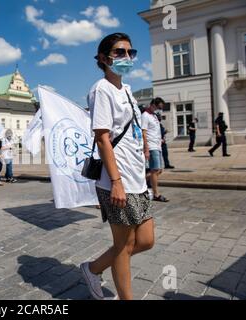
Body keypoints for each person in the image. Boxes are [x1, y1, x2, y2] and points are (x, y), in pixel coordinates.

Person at [81, 33, 154, 300]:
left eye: (129, 52)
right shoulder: (102, 89)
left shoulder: (127, 89)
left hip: (137, 177)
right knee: (123, 246)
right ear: (103, 58)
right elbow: (102, 138)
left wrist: (144, 151)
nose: (126, 57)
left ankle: (93, 268)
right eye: (119, 52)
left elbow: (134, 128)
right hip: (118, 178)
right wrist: (116, 181)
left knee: (145, 240)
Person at [142, 98, 169, 202]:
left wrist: (160, 139)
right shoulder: (145, 116)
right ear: (153, 104)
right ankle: (156, 194)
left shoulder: (154, 116)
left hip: (157, 146)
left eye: (160, 108)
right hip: (151, 146)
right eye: (158, 107)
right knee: (155, 170)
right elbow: (144, 133)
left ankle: (138, 183)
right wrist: (146, 148)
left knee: (159, 170)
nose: (159, 109)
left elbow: (155, 131)